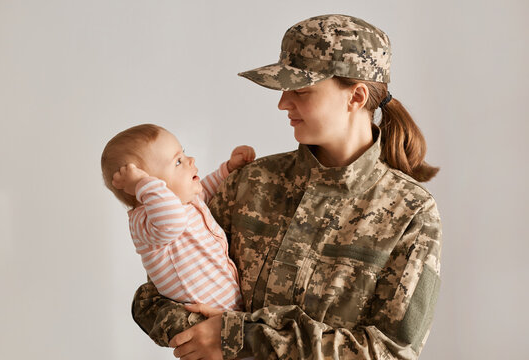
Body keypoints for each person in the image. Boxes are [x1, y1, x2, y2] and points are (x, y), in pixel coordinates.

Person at [131, 14, 442, 360]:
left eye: (301, 91)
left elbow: (393, 352)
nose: (282, 103)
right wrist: (202, 332)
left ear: (356, 96)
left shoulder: (411, 212)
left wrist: (237, 337)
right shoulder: (250, 182)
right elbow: (154, 298)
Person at [101, 124, 255, 311]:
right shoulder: (146, 221)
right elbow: (173, 222)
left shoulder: (184, 202)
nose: (190, 160)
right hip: (205, 318)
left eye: (184, 153)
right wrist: (143, 184)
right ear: (143, 190)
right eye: (178, 162)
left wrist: (228, 170)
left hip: (230, 307)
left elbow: (204, 190)